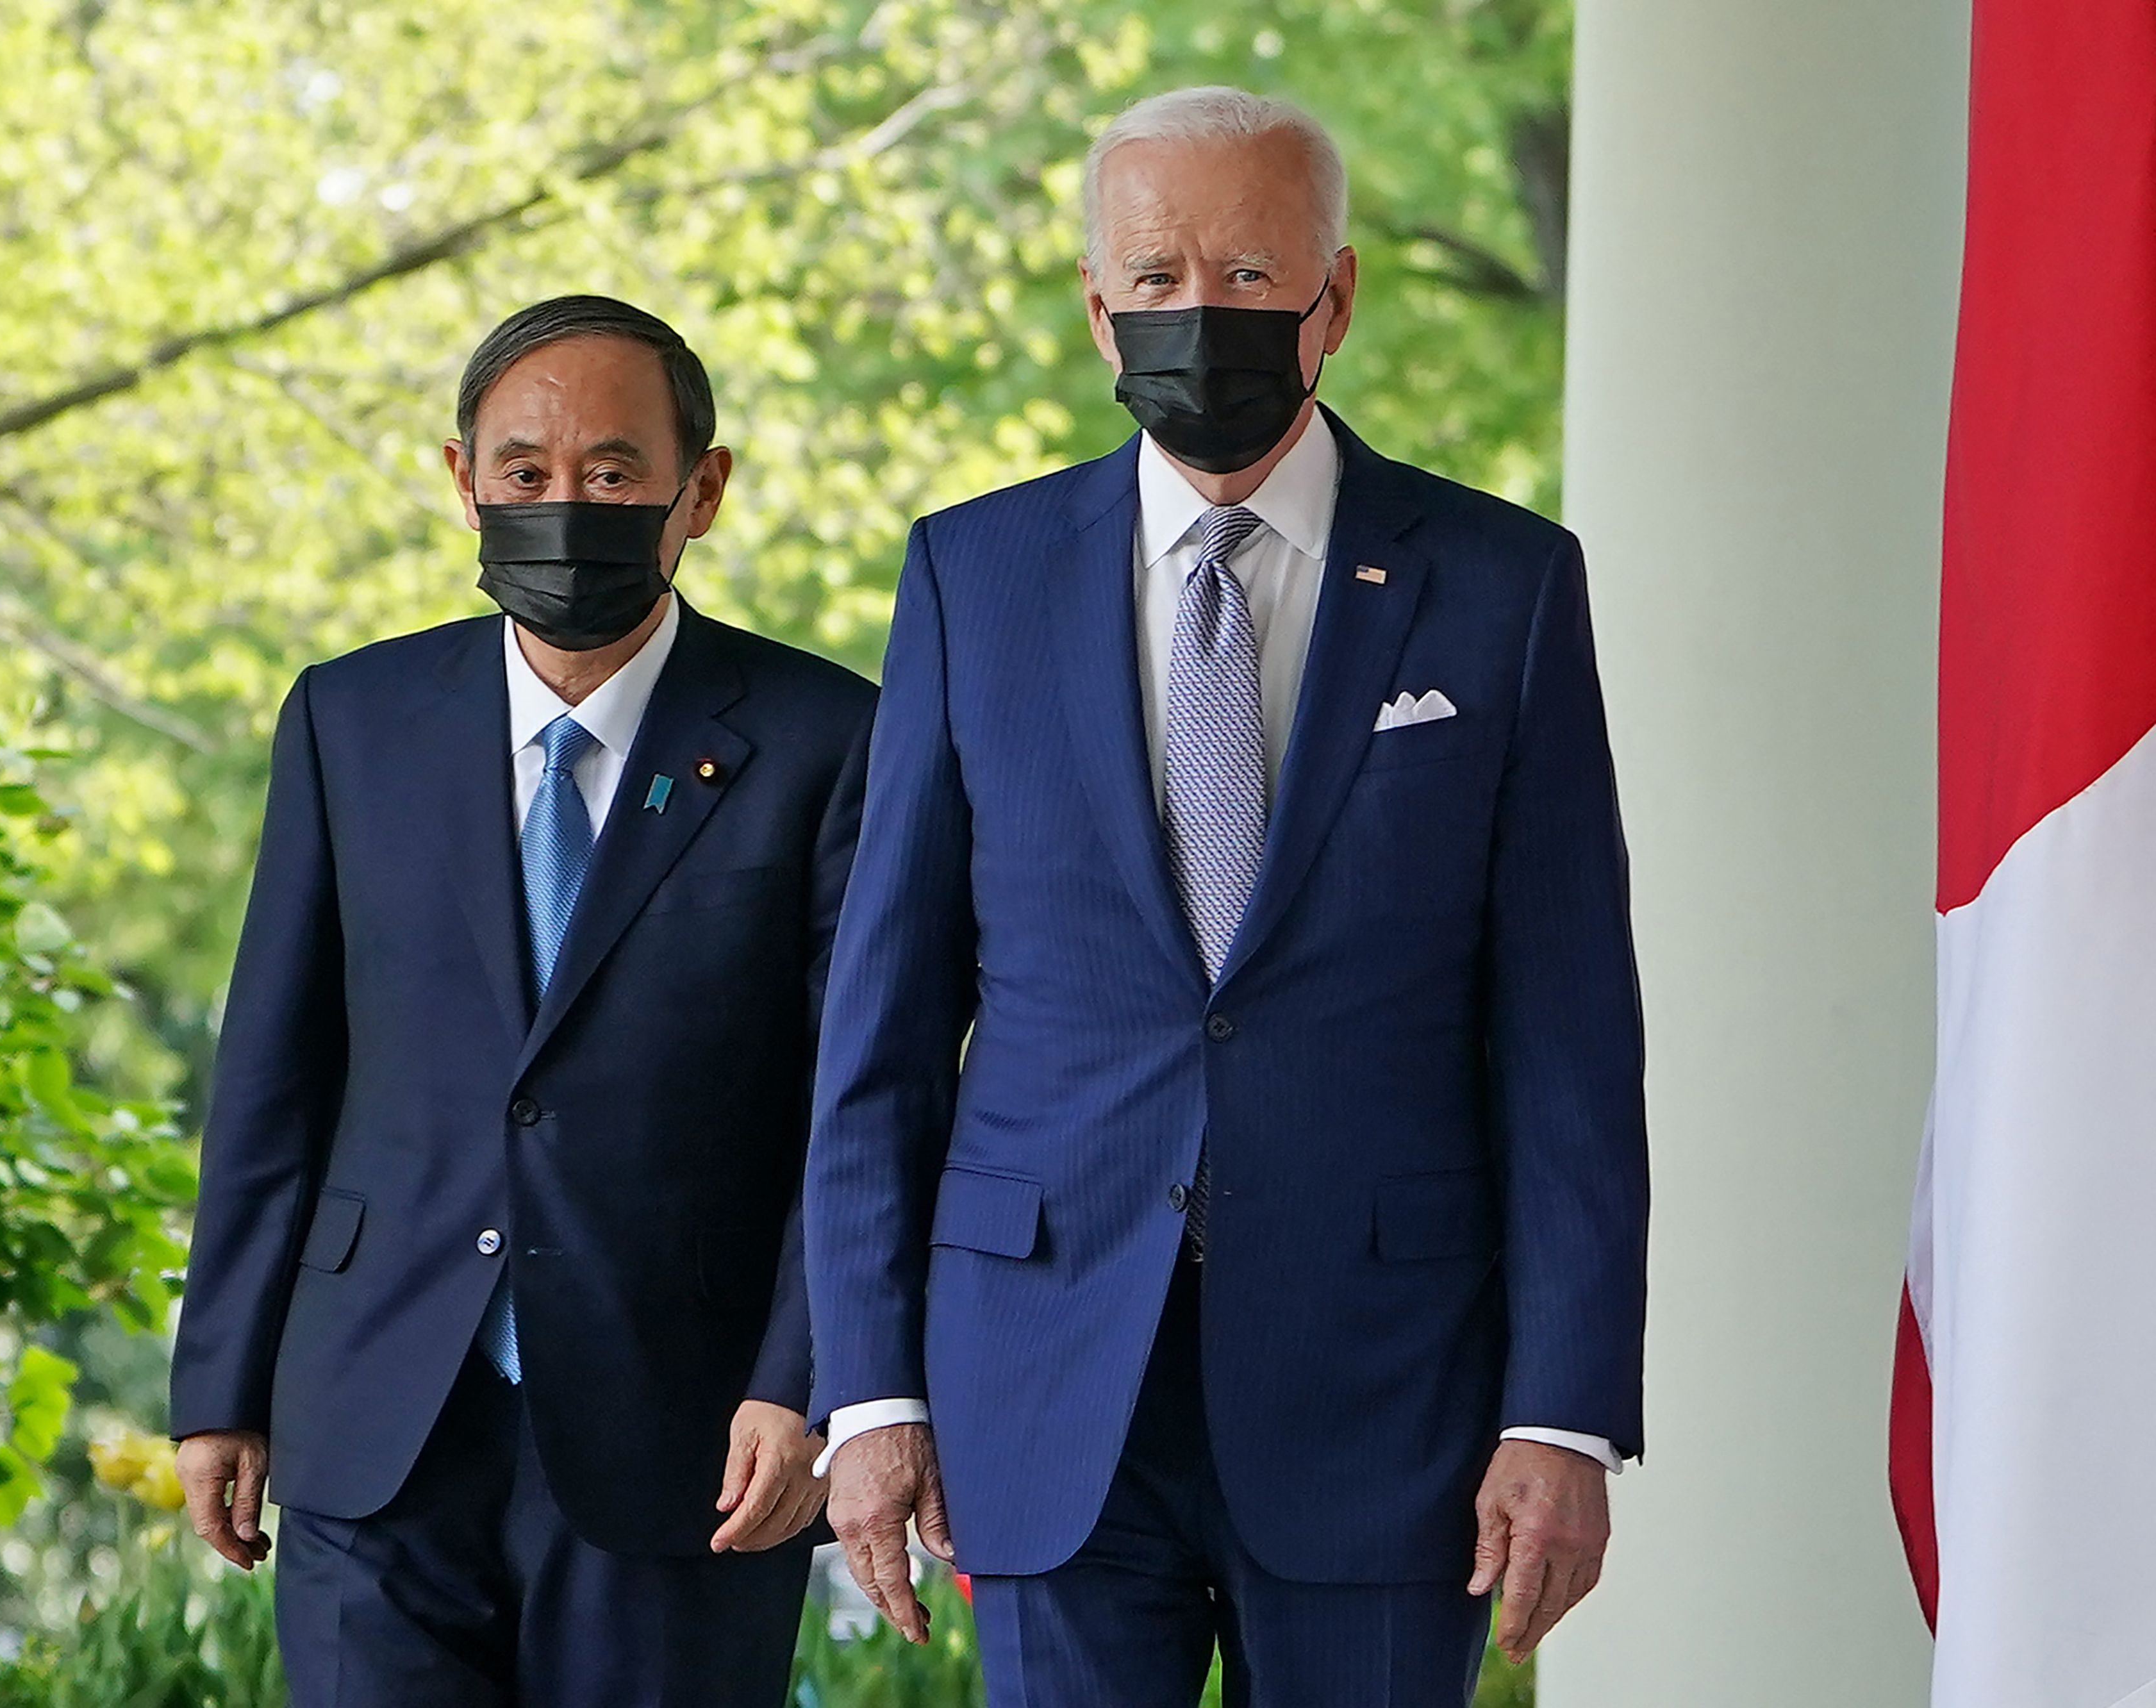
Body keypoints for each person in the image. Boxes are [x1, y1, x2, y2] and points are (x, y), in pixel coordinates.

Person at [804, 87, 1650, 1706]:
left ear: (1335, 297)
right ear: (1096, 305)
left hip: (1386, 1387)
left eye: (1250, 275)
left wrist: (1561, 1411)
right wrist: (870, 1392)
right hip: (1040, 1374)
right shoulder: (969, 577)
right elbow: (882, 1028)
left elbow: (1565, 1036)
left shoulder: (1502, 585)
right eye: (1158, 275)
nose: (1200, 311)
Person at [169, 294, 875, 1707]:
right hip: (375, 1415)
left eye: (612, 472)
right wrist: (221, 1385)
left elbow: (855, 1104)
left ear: (701, 490)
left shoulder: (831, 738)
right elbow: (275, 1074)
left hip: (690, 1440)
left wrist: (805, 1378)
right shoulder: (350, 720)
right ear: (464, 479)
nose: (565, 505)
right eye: (525, 470)